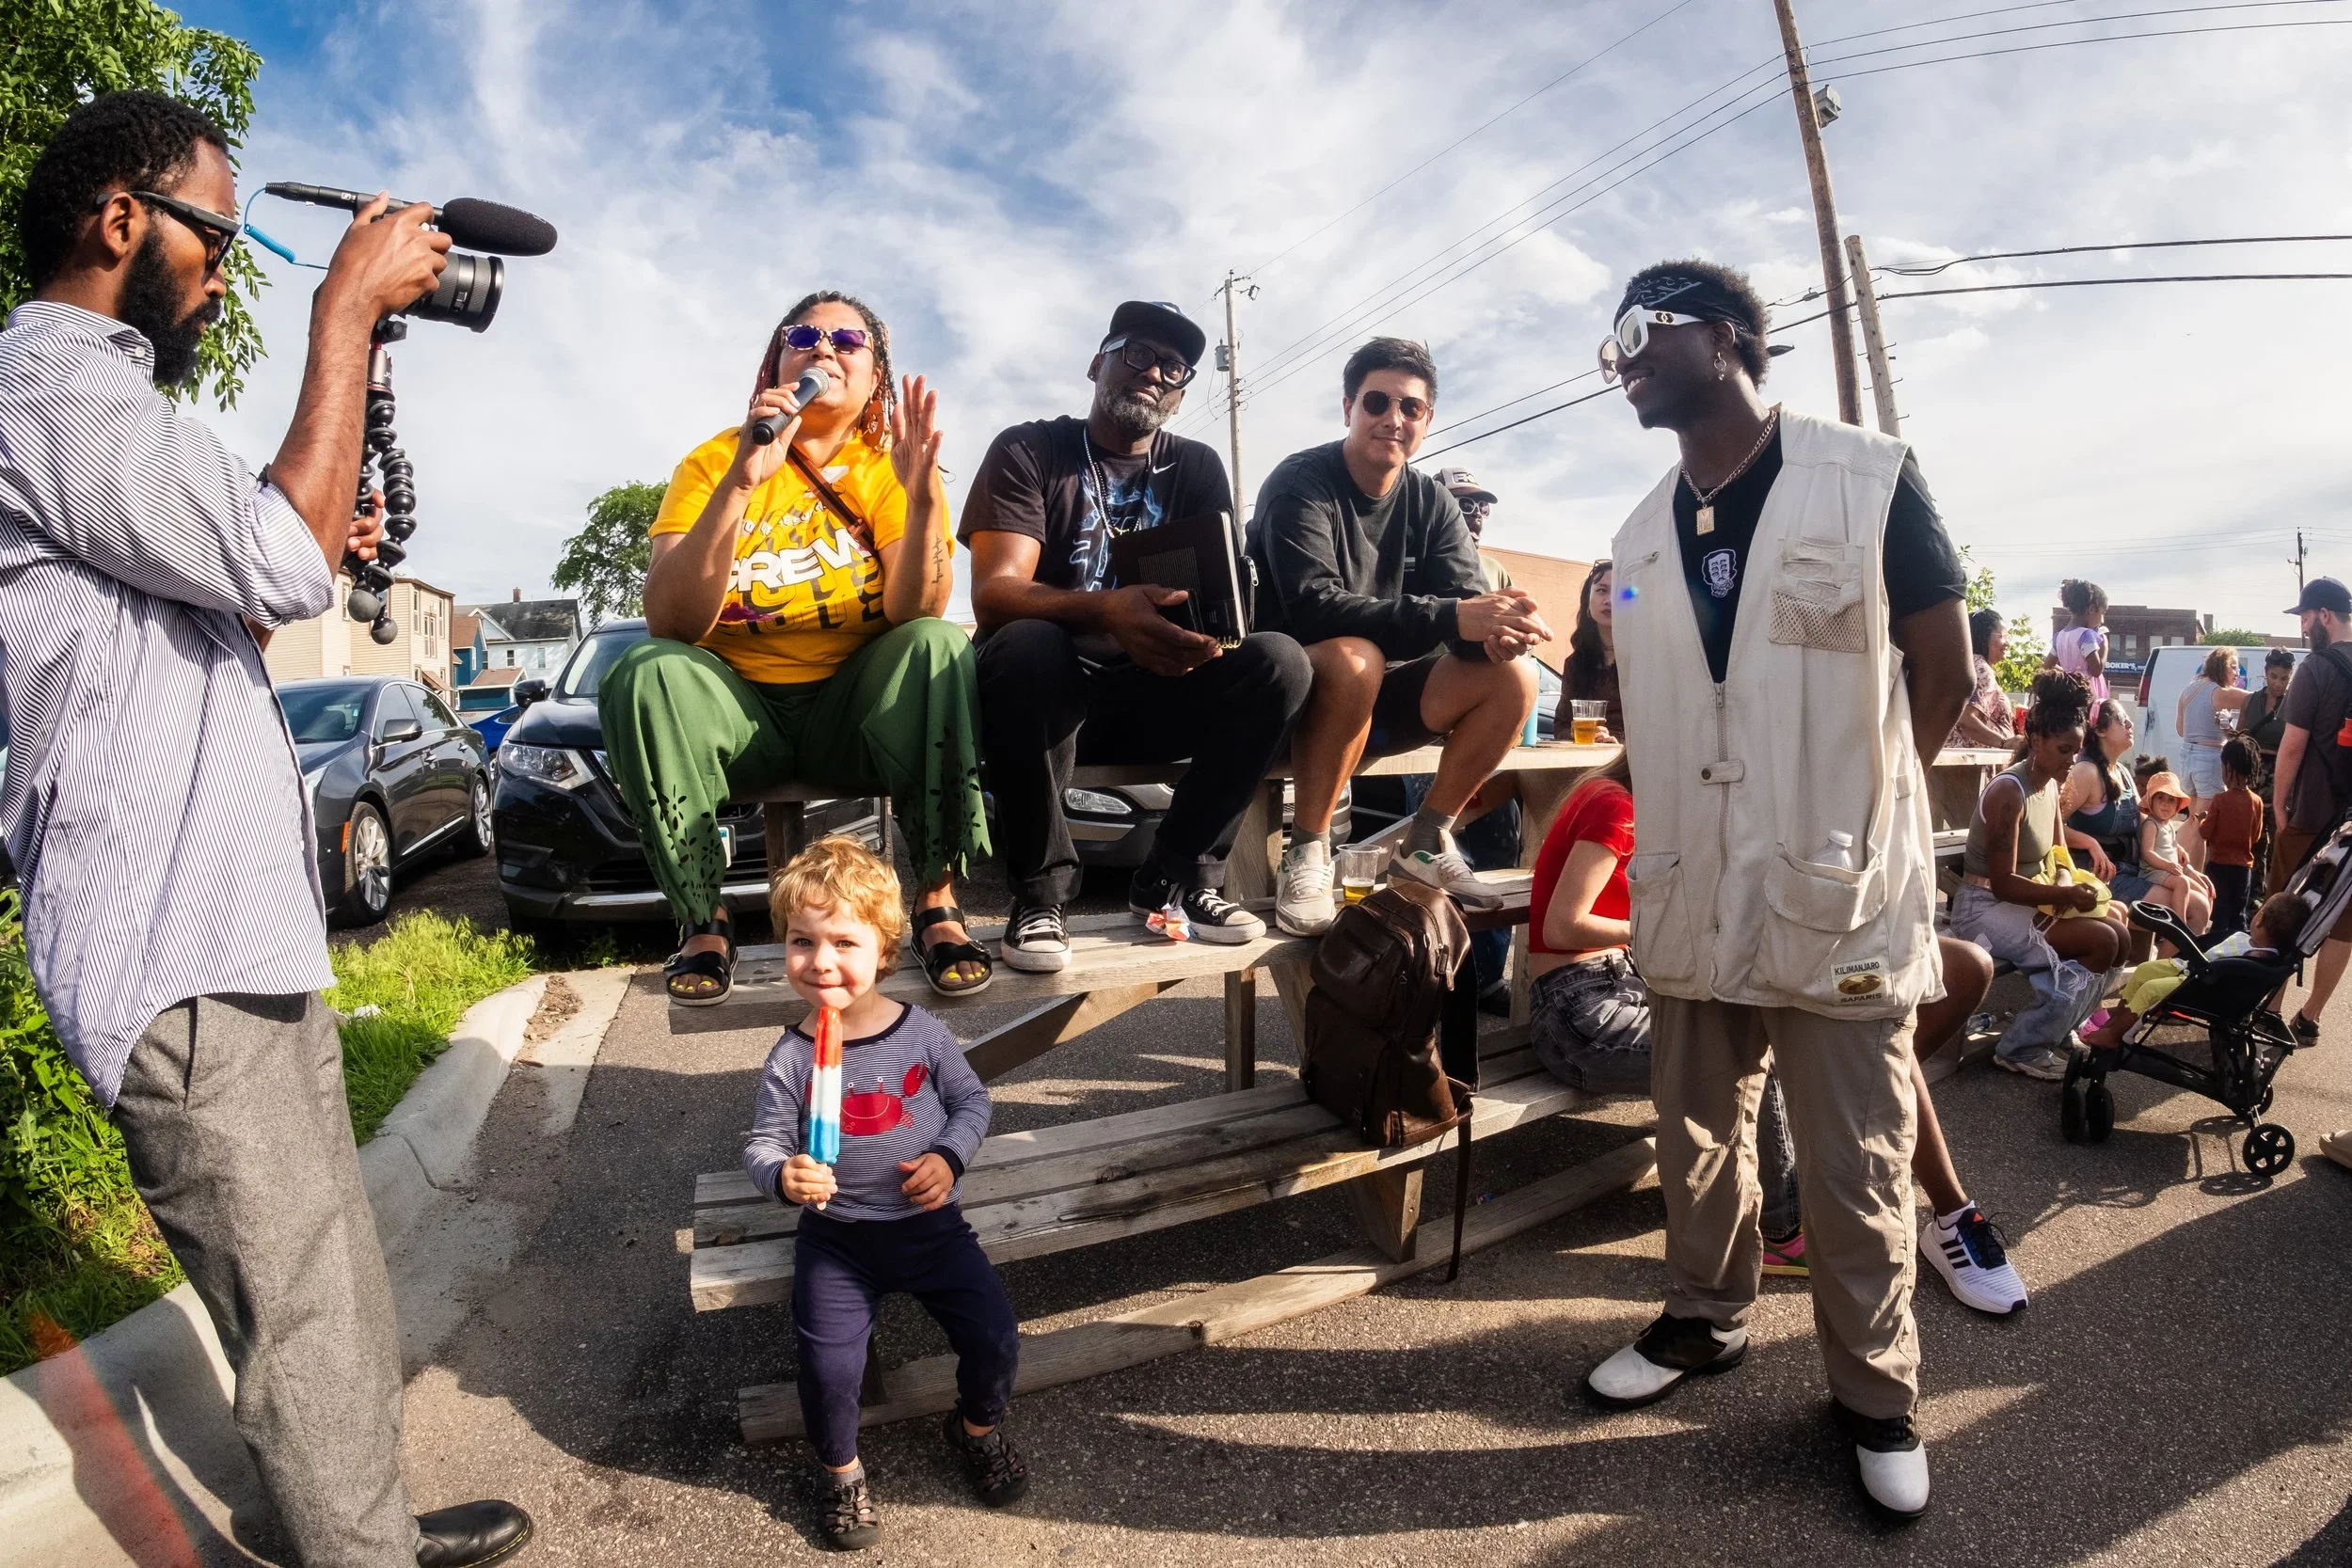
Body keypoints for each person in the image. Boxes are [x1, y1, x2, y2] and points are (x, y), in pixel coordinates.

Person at [0, 92, 528, 1566]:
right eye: (217, 236)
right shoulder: (47, 389)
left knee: (327, 1271)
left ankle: (363, 1530)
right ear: (122, 221)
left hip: (226, 921)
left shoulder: (98, 412)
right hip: (166, 936)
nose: (231, 269)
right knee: (295, 1292)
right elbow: (283, 559)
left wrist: (291, 540)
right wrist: (346, 312)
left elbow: (218, 596)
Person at [1576, 260, 1975, 1521]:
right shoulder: (1639, 531)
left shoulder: (1868, 473)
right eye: (1613, 340)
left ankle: (1876, 1394)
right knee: (1695, 1133)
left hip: (1834, 878)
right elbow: (1643, 693)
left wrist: (1861, 809)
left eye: (1644, 328)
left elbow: (1946, 670)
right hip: (1692, 879)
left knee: (1856, 1158)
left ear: (1734, 336)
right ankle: (1704, 1321)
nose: (1622, 354)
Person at [1528, 754, 2026, 1313]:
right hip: (1584, 1005)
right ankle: (1788, 1232)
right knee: (1755, 1055)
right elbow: (1561, 926)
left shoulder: (1651, 807)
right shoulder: (1619, 806)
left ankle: (1889, 1180)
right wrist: (1673, 927)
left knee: (1905, 992)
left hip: (1627, 984)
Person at [603, 291, 992, 1005]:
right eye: (803, 334)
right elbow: (670, 620)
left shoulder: (887, 466)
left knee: (938, 646)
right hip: (742, 712)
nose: (823, 347)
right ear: (773, 361)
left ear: (876, 376)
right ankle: (701, 913)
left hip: (852, 712)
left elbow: (919, 611)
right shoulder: (713, 459)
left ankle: (936, 897)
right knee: (642, 672)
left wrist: (924, 500)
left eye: (847, 340)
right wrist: (741, 483)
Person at [961, 301, 1311, 967]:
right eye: (1136, 352)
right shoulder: (1031, 449)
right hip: (1051, 699)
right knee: (1027, 643)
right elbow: (995, 594)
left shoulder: (1198, 468)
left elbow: (1217, 599)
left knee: (1280, 661)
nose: (1153, 371)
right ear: (1098, 363)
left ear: (1179, 397)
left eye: (1173, 367)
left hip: (1157, 688)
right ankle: (1040, 896)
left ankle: (1176, 876)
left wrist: (1208, 641)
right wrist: (1109, 609)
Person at [744, 838, 1025, 1550]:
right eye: (802, 941)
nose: (822, 959)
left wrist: (948, 1155)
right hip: (838, 1235)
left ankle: (975, 1429)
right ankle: (840, 1473)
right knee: (828, 1364)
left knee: (994, 1333)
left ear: (886, 948)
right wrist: (783, 1174)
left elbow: (971, 1102)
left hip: (929, 1225)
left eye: (844, 939)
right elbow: (763, 1144)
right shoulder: (793, 1055)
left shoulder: (921, 1032)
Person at [1247, 337, 1547, 936]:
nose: (1393, 418)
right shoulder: (1301, 481)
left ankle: (1428, 841)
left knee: (1515, 678)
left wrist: (1497, 634)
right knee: (1356, 656)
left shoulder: (1431, 500)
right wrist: (1453, 619)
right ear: (1348, 409)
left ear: (1427, 420)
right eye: (1377, 402)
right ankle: (1306, 852)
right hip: (1290, 700)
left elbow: (1463, 603)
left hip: (1374, 701)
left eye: (1410, 407)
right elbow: (1311, 608)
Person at [1949, 673, 2127, 1079]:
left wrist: (2069, 883)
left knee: (2119, 931)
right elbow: (2002, 883)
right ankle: (2023, 1046)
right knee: (2102, 942)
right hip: (1982, 910)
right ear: (2035, 739)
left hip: (2025, 902)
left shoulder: (2049, 785)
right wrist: (2066, 898)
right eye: (2064, 750)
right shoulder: (2008, 792)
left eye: (2076, 750)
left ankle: (2058, 1027)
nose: (2071, 760)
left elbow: (2061, 855)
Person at [2268, 577, 2352, 1039]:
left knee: (2283, 905)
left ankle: (2271, 1007)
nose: (2301, 626)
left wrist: (2280, 806)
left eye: (2304, 616)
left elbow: (2292, 747)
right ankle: (2311, 1017)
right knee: (2345, 921)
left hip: (2313, 815)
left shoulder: (2315, 669)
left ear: (2324, 615)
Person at [2083, 892, 2303, 1047]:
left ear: (2260, 920)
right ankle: (2116, 1021)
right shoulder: (2249, 940)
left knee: (2150, 989)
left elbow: (2231, 972)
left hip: (2203, 987)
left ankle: (2115, 1034)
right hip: (2191, 970)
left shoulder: (2259, 957)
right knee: (2144, 971)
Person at [2175, 644, 2250, 864]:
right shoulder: (2221, 693)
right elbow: (2258, 699)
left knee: (2191, 821)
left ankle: (2174, 863)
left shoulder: (2189, 689)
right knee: (2203, 826)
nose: (2237, 674)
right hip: (2208, 760)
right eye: (2234, 667)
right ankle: (2196, 877)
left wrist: (2223, 725)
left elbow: (2181, 730)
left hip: (2187, 756)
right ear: (2223, 666)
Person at [2137, 770, 2215, 937]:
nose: (2165, 804)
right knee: (2182, 884)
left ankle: (2199, 931)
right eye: (2161, 798)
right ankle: (2179, 923)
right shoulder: (2151, 824)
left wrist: (2180, 850)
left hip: (2169, 870)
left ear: (2177, 805)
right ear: (2151, 800)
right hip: (2153, 871)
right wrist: (2168, 865)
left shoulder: (2168, 824)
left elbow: (2172, 843)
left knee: (2203, 889)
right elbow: (2147, 853)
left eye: (2171, 800)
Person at [2200, 738, 2263, 938]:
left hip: (2219, 866)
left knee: (2220, 916)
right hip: (2244, 868)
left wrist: (2201, 821)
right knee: (2239, 914)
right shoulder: (2257, 801)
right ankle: (2239, 952)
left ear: (2227, 767)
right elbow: (2256, 835)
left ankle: (2214, 957)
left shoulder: (2220, 800)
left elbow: (2205, 833)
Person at [1558, 557, 1624, 743]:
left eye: (1619, 592)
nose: (1609, 600)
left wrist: (1618, 742)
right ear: (1587, 604)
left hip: (1635, 763)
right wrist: (1576, 733)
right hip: (1587, 760)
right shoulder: (1575, 663)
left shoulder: (1647, 658)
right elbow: (1560, 726)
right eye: (1602, 591)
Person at [1948, 609, 2016, 748]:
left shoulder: (1962, 665)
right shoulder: (1982, 669)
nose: (2007, 644)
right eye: (2002, 636)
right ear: (1984, 636)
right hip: (1973, 763)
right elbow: (1966, 719)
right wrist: (2004, 743)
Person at [2054, 578, 2110, 703]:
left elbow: (2048, 666)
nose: (2102, 621)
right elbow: (2096, 670)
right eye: (2102, 613)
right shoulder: (2086, 635)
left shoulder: (2058, 637)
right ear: (2091, 609)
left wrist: (2069, 673)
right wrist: (2105, 646)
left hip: (2069, 693)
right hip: (2087, 693)